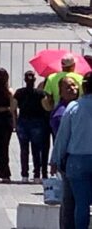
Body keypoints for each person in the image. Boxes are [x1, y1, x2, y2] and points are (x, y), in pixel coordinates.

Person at [51, 72, 92, 229]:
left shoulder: (73, 107)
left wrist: (55, 159)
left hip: (77, 161)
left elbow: (62, 137)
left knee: (80, 204)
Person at [14, 71, 49, 183]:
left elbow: (13, 107)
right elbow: (46, 107)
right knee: (36, 150)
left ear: (25, 80)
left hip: (23, 121)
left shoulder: (19, 92)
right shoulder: (40, 93)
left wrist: (15, 121)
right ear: (34, 80)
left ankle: (24, 175)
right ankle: (37, 175)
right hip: (37, 122)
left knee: (24, 149)